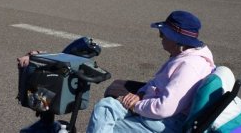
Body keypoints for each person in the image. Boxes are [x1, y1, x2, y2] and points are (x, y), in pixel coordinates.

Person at [86, 10, 215, 133]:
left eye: (163, 34)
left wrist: (136, 105)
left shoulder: (190, 66)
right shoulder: (182, 55)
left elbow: (164, 108)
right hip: (157, 113)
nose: (160, 37)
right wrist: (141, 94)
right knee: (105, 106)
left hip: (166, 123)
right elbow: (158, 82)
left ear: (177, 40)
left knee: (105, 122)